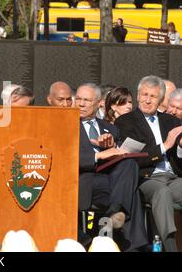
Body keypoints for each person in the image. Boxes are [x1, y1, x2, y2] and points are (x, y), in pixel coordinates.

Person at [76, 83, 148, 251]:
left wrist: (111, 148)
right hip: (85, 178)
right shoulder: (64, 126)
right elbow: (63, 157)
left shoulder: (110, 128)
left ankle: (115, 212)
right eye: (78, 99)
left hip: (110, 177)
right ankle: (134, 246)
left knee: (129, 163)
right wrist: (96, 155)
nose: (80, 104)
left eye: (86, 100)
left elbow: (116, 158)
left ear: (99, 102)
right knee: (132, 192)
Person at [114, 75, 182, 252]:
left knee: (168, 190)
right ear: (137, 96)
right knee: (162, 192)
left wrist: (180, 147)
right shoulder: (125, 122)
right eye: (144, 94)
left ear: (160, 100)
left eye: (153, 96)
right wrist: (165, 145)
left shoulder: (172, 121)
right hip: (146, 178)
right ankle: (170, 247)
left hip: (173, 177)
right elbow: (134, 157)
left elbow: (178, 158)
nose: (147, 100)